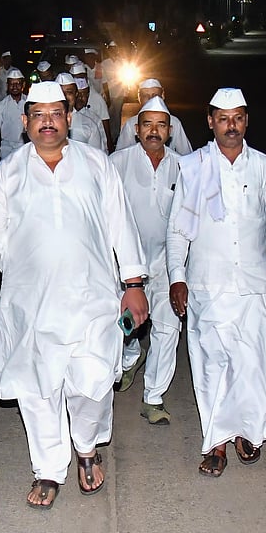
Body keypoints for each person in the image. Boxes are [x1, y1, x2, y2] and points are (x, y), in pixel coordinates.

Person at [0, 80, 149, 510]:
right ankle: (49, 468)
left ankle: (86, 446)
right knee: (37, 390)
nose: (47, 123)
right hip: (30, 305)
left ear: (69, 118)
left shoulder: (96, 164)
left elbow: (121, 224)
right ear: (25, 121)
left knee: (93, 384)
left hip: (93, 299)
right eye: (38, 115)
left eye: (56, 114)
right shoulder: (8, 173)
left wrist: (134, 285)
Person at [166, 88, 266, 478]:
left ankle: (247, 429)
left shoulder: (262, 166)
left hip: (254, 282)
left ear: (246, 121)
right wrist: (177, 277)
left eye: (238, 118)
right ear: (210, 121)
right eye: (223, 118)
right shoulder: (193, 166)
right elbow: (179, 228)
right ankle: (216, 441)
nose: (231, 126)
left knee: (250, 363)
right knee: (212, 363)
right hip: (206, 283)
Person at [109, 96, 183, 424]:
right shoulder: (116, 163)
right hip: (126, 264)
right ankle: (128, 358)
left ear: (170, 130)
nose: (154, 131)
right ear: (136, 130)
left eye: (161, 125)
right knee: (124, 326)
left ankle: (153, 397)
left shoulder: (184, 166)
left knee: (168, 330)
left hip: (168, 262)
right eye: (147, 124)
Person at [114, 78, 192, 154]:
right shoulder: (130, 124)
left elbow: (186, 155)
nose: (151, 99)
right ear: (139, 98)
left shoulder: (174, 122)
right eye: (145, 96)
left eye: (155, 95)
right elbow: (120, 155)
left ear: (163, 96)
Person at [0, 68, 27, 172]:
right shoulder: (1, 106)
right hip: (6, 150)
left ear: (23, 85)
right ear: (7, 86)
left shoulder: (30, 103)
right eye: (11, 84)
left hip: (26, 149)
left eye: (18, 83)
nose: (15, 86)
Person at [57, 70, 105, 152]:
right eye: (60, 92)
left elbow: (97, 157)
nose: (64, 97)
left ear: (76, 94)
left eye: (69, 92)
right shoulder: (45, 124)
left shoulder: (89, 124)